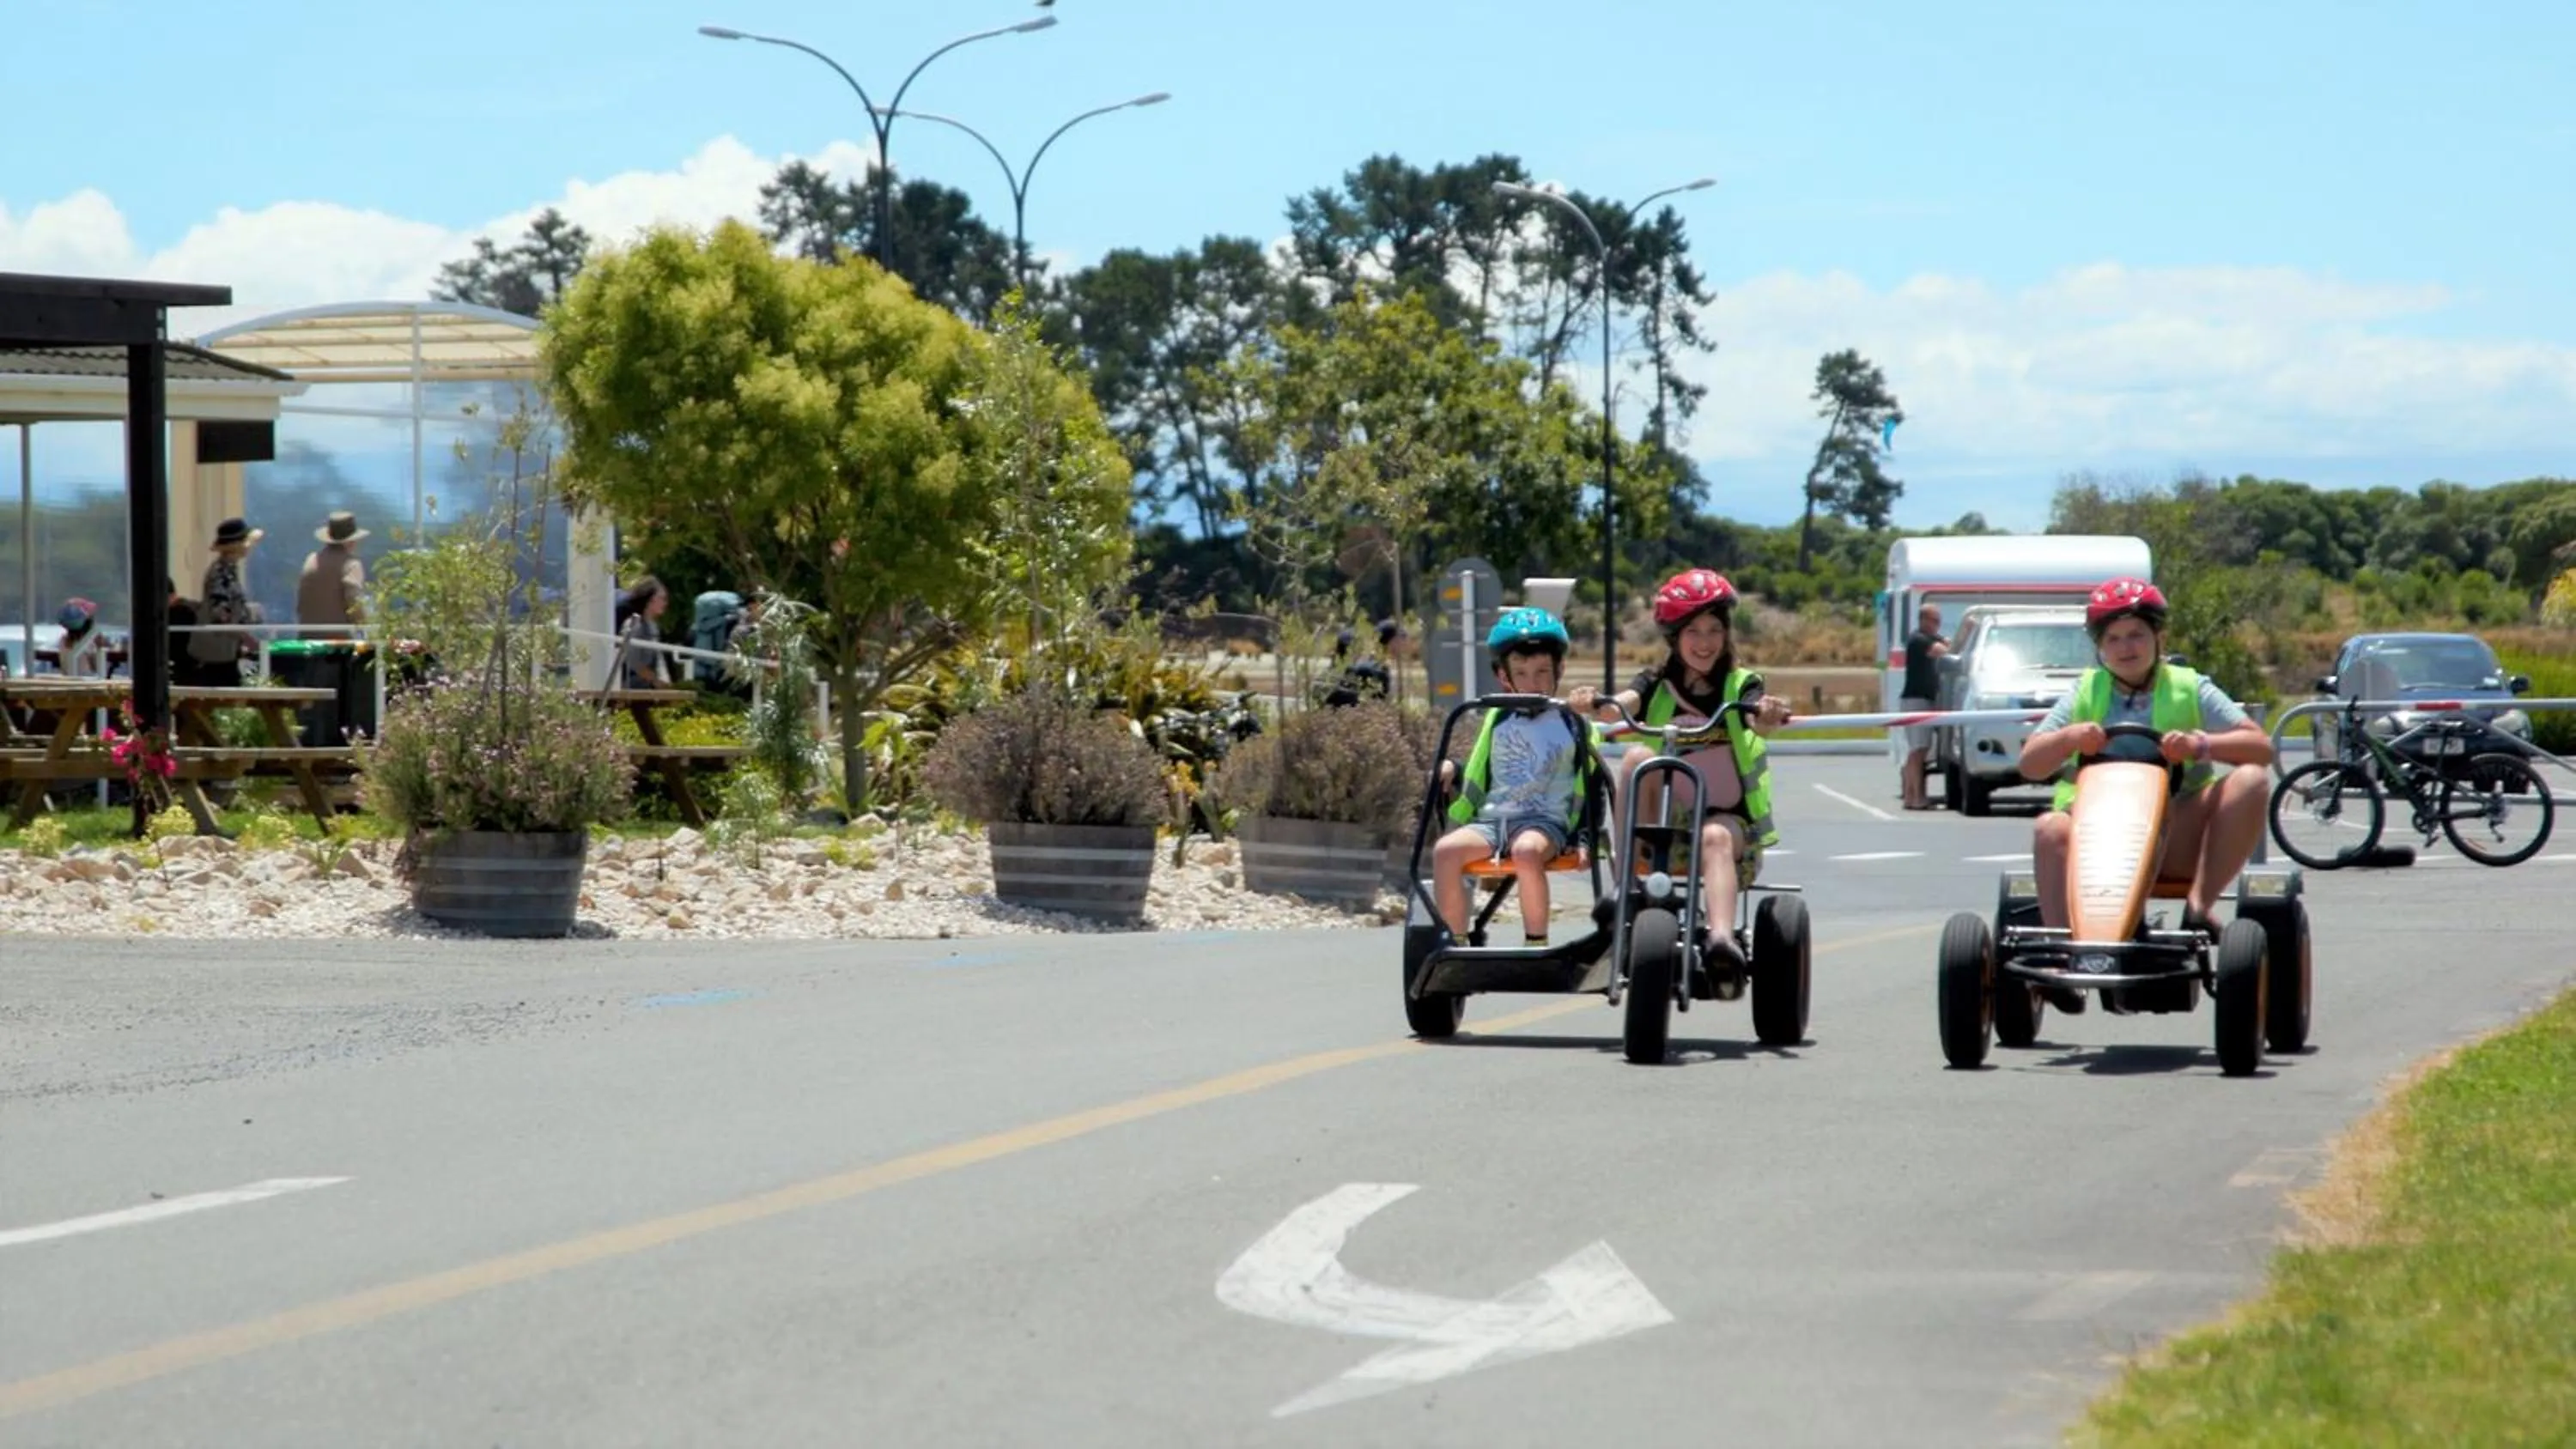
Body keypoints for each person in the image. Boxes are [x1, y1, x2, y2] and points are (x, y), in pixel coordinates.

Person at [2018, 577, 2275, 1014]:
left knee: (2251, 780)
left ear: (2159, 637)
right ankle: (2065, 954)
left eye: (2137, 634)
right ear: (2100, 647)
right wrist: (2070, 738)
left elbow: (2261, 748)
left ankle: (2199, 907)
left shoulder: (2190, 686)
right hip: (2095, 836)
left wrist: (2200, 746)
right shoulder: (2085, 690)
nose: (2126, 647)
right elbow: (2030, 764)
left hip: (2174, 829)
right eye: (2113, 639)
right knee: (2048, 826)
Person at [1583, 568, 1794, 967]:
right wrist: (1597, 702)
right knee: (1636, 758)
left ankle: (1720, 943)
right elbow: (1623, 703)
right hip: (1661, 829)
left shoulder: (1742, 684)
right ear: (1674, 637)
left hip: (1728, 827)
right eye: (1693, 631)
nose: (1705, 642)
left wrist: (1768, 711)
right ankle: (1625, 885)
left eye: (1715, 630)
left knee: (1714, 836)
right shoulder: (1656, 682)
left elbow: (1757, 718)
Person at [1429, 608, 1607, 949]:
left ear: (1560, 670)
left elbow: (1593, 784)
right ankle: (1455, 946)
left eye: (1543, 672)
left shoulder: (1572, 723)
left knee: (1526, 852)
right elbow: (1483, 770)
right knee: (1445, 852)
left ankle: (1535, 943)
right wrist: (1454, 767)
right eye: (1522, 674)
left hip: (1545, 823)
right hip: (1494, 820)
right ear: (1504, 676)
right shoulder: (1498, 718)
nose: (1533, 683)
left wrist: (1586, 836)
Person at [190, 517, 263, 688]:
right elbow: (220, 613)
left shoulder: (228, 570)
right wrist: (246, 638)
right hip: (217, 652)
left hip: (227, 650)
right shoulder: (221, 573)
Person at [1899, 602, 1948, 809]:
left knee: (1921, 749)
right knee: (1918, 750)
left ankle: (1913, 795)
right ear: (1924, 620)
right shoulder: (1918, 640)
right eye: (1935, 621)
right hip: (1915, 700)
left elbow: (1948, 643)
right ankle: (1914, 797)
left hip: (1925, 699)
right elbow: (1944, 651)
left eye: (1939, 621)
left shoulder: (1930, 638)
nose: (1938, 625)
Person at [296, 511, 368, 639]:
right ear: (350, 541)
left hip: (306, 638)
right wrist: (366, 625)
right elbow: (354, 601)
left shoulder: (311, 560)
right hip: (338, 642)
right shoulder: (351, 564)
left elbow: (301, 602)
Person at [613, 576, 671, 688]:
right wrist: (655, 680)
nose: (665, 603)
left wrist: (665, 680)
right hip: (631, 682)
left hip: (647, 681)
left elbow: (658, 658)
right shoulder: (634, 624)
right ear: (650, 599)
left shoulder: (652, 626)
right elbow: (632, 661)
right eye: (662, 598)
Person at [54, 598, 111, 678]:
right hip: (87, 682)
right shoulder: (89, 642)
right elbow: (101, 668)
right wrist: (101, 646)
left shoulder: (64, 641)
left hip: (70, 681)